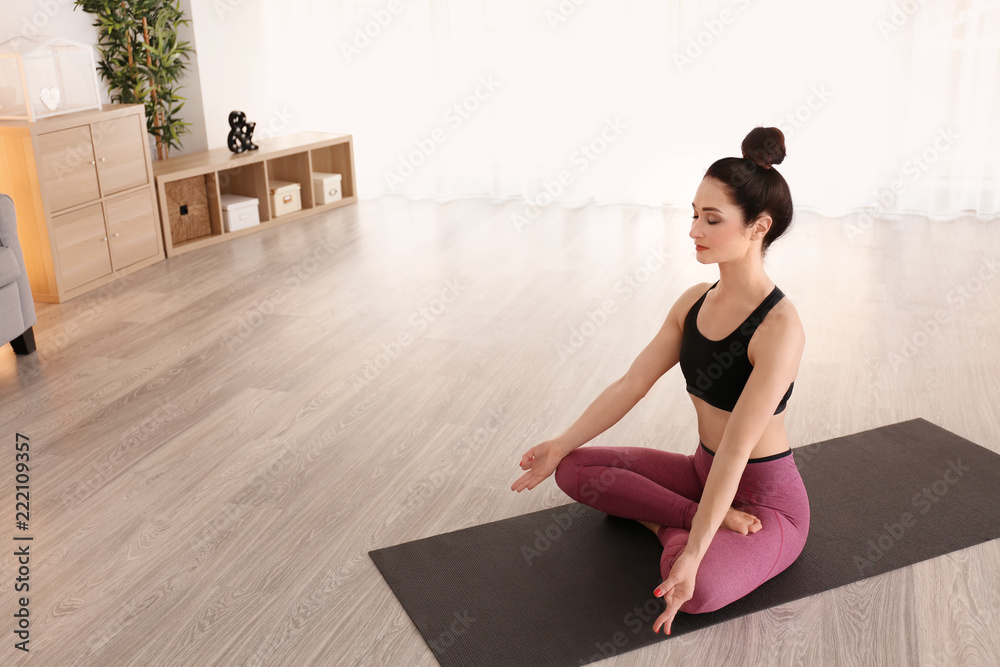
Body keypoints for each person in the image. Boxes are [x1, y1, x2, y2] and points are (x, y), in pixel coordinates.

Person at [509, 126, 809, 636]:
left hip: (765, 504)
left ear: (759, 227)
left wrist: (692, 556)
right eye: (694, 214)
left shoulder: (780, 328)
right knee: (571, 468)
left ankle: (676, 528)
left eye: (712, 220)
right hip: (701, 472)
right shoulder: (693, 301)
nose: (694, 229)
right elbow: (631, 384)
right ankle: (688, 517)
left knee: (698, 590)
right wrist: (560, 443)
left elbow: (737, 450)